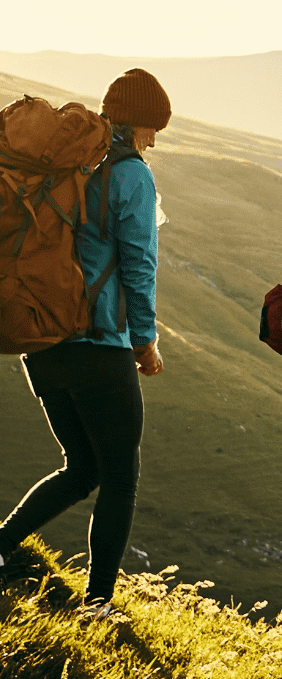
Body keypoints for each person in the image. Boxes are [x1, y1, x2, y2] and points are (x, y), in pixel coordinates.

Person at [0, 69, 170, 615]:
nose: (154, 140)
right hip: (98, 343)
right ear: (141, 124)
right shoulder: (131, 177)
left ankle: (2, 547)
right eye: (153, 129)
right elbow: (139, 264)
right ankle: (98, 605)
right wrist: (144, 340)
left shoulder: (73, 165)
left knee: (81, 467)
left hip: (43, 337)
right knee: (120, 476)